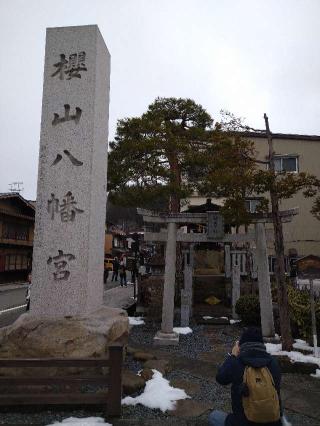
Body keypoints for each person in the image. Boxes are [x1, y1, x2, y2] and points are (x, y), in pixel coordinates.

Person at [209, 327, 283, 426]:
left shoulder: (238, 363)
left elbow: (220, 378)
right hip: (273, 421)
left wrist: (233, 355)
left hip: (244, 422)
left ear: (241, 345)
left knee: (213, 416)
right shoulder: (273, 363)